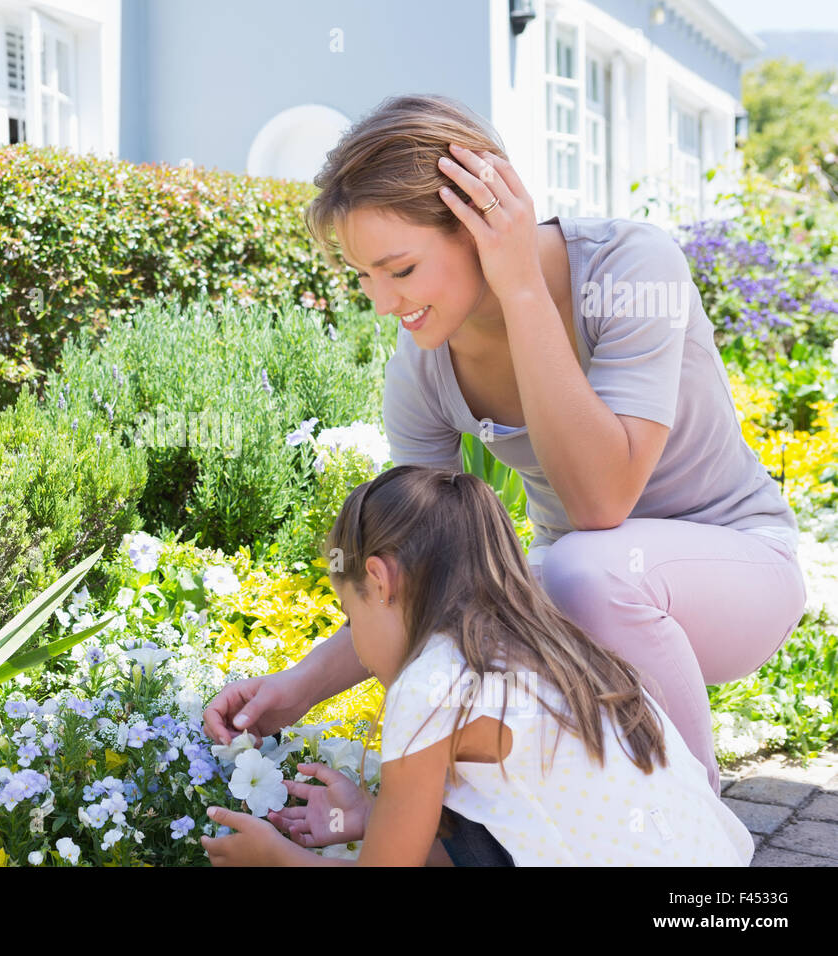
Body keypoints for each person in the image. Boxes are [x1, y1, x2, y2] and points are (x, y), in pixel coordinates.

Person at [203, 93, 806, 802]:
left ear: (482, 220)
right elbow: (424, 570)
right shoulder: (425, 366)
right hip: (577, 592)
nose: (384, 303)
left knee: (581, 567)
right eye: (363, 276)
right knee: (486, 617)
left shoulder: (630, 268)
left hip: (736, 569)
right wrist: (298, 685)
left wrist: (522, 290)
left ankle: (693, 829)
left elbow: (600, 501)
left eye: (400, 270)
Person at [199, 467, 755, 866]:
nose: (359, 649)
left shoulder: (430, 684)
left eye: (350, 612)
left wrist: (276, 859)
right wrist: (371, 816)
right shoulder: (553, 643)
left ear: (379, 580)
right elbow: (495, 828)